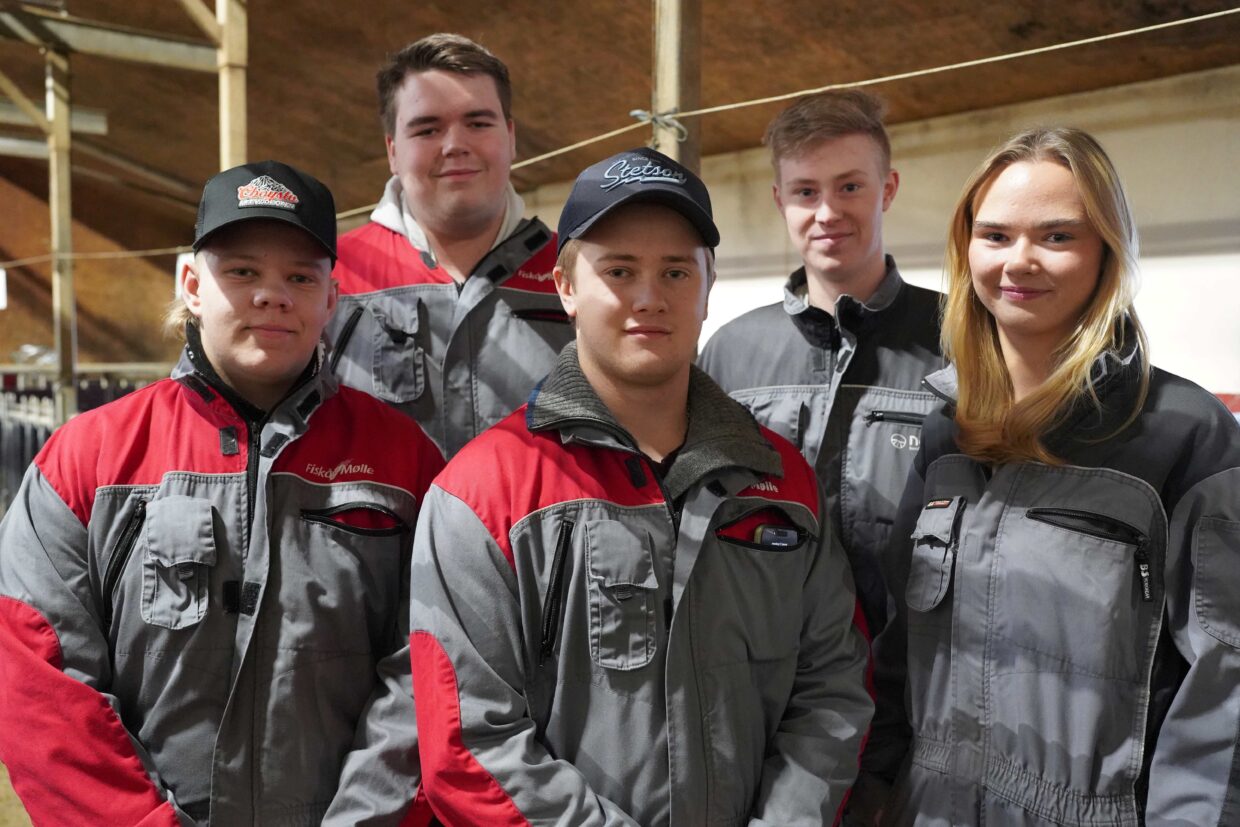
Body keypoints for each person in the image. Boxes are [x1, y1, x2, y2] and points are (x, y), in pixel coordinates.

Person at [409, 147, 873, 825]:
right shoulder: (483, 495)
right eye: (619, 271)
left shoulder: (782, 483)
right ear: (565, 287)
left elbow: (833, 687)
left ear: (708, 288)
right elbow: (469, 744)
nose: (649, 297)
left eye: (676, 271)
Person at [0, 161, 443, 824]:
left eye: (300, 277)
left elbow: (430, 670)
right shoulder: (85, 459)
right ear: (191, 285)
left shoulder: (404, 461)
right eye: (242, 271)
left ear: (331, 299)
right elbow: (40, 682)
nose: (272, 295)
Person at [858, 127, 1240, 825]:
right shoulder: (945, 432)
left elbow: (1226, 688)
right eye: (995, 235)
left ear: (1106, 252)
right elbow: (900, 647)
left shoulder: (1186, 434)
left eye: (1057, 236)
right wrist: (875, 788)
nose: (1019, 261)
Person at [698, 90, 942, 643]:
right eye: (806, 191)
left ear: (888, 189)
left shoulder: (961, 342)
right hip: (766, 658)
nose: (827, 213)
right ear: (779, 199)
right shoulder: (729, 352)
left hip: (914, 664)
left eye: (849, 187)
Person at [328, 33, 572, 459]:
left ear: (511, 137)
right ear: (392, 151)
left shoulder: (579, 274)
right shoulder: (329, 276)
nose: (455, 144)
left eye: (478, 124)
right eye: (427, 129)